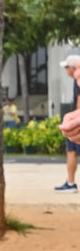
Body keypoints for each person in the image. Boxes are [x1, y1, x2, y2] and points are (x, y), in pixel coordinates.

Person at [57, 53, 80, 191]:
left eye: (67, 67)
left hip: (75, 125)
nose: (66, 71)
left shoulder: (78, 80)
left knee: (71, 151)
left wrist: (77, 120)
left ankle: (71, 183)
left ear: (73, 68)